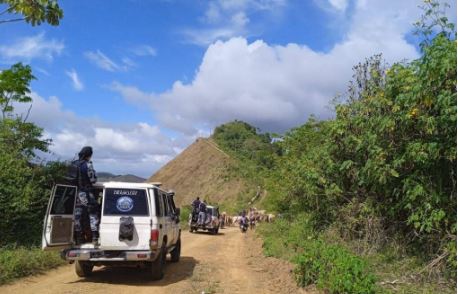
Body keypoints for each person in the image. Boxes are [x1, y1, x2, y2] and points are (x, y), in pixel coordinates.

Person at [74, 146, 99, 245]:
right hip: (87, 194)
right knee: (93, 215)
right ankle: (95, 238)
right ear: (89, 155)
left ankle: (79, 238)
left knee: (77, 217)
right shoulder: (88, 165)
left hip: (76, 195)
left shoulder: (74, 164)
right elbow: (93, 180)